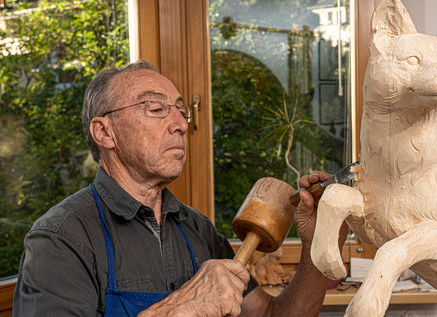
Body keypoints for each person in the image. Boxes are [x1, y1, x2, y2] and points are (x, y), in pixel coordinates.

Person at [13, 60, 343, 316]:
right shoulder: (59, 239)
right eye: (156, 109)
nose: (181, 124)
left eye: (180, 110)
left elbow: (274, 316)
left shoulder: (198, 230)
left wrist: (318, 245)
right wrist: (180, 308)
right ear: (105, 133)